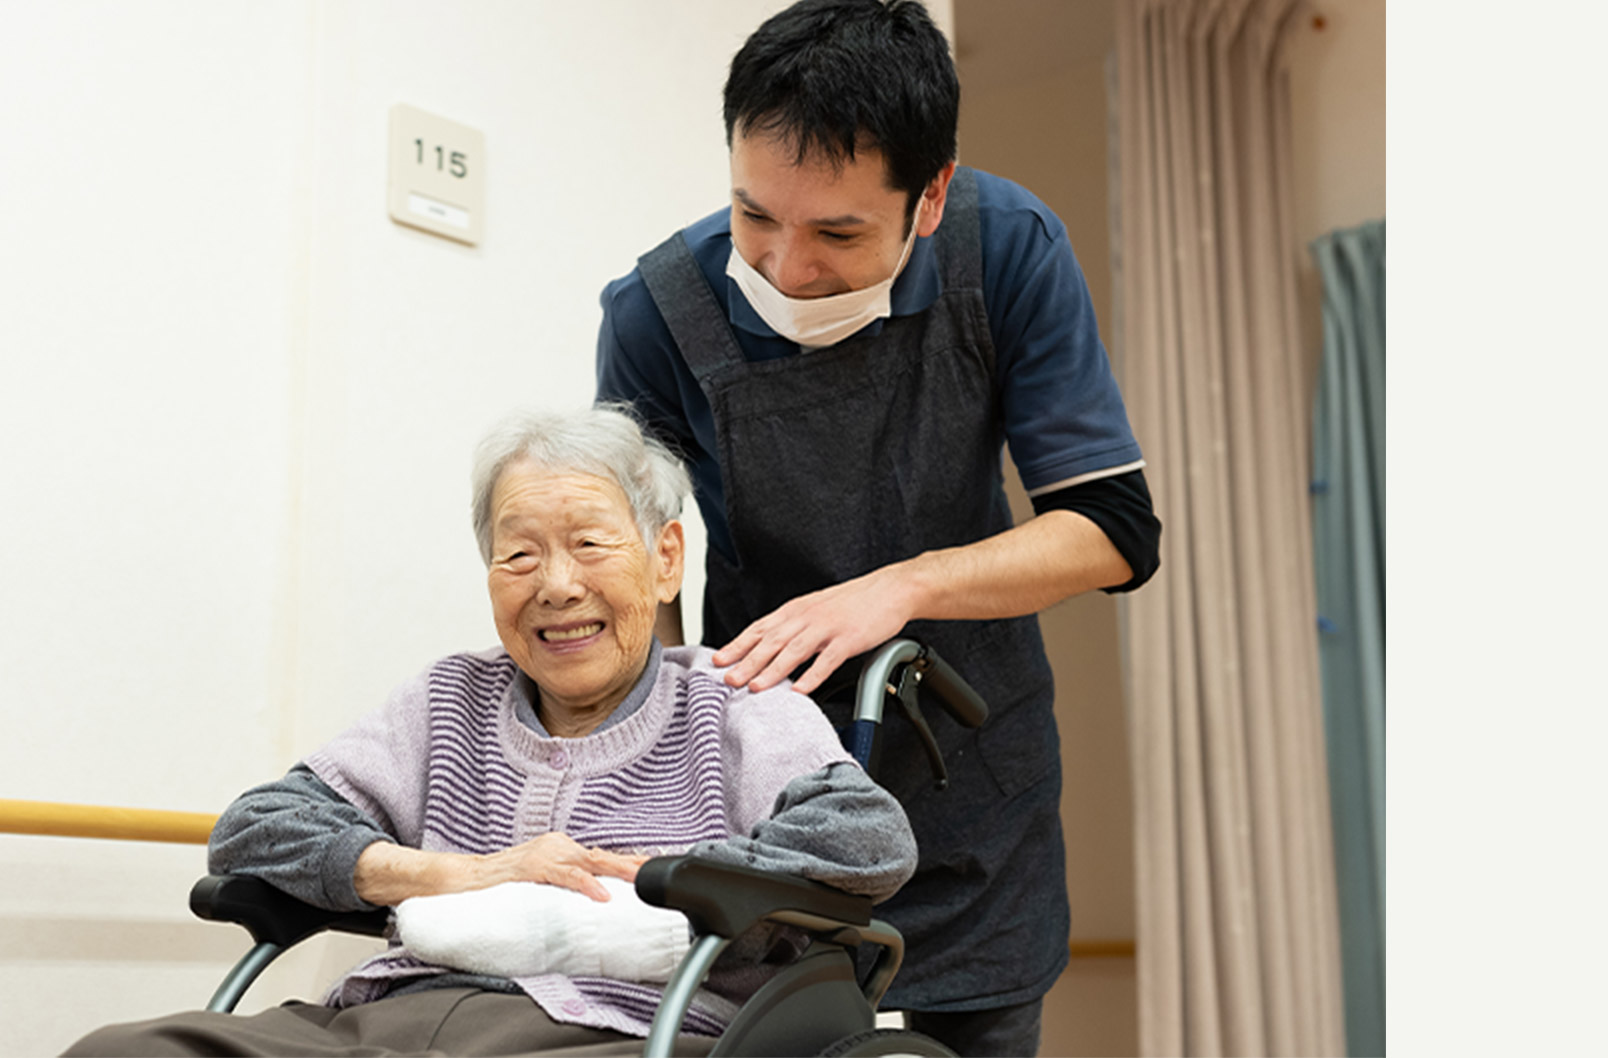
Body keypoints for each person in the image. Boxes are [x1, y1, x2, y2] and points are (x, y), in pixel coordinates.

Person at [595, 1, 1163, 1054]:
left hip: (972, 781)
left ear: (932, 195)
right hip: (772, 781)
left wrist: (896, 586)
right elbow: (646, 583)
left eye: (839, 232)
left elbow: (1113, 527)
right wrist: (650, 772)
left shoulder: (1008, 250)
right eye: (753, 214)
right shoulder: (655, 313)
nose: (783, 265)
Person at [65, 405, 917, 1058]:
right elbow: (255, 829)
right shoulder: (451, 699)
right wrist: (450, 874)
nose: (554, 585)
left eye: (589, 544)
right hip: (388, 1019)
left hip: (621, 1033)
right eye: (518, 556)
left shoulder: (731, 701)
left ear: (665, 560)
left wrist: (669, 880)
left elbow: (864, 836)